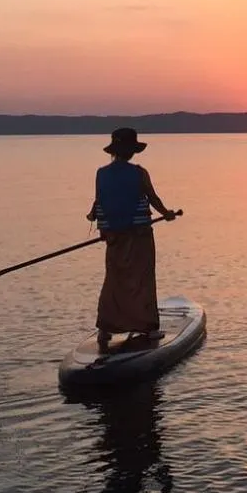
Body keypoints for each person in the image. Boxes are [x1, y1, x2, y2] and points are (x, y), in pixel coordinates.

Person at [87, 127, 177, 352]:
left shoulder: (101, 173)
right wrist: (166, 214)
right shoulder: (139, 173)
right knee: (142, 278)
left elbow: (99, 201)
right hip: (139, 235)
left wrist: (96, 221)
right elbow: (152, 198)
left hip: (113, 236)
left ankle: (105, 329)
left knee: (114, 279)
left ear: (113, 151)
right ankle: (147, 327)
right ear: (132, 151)